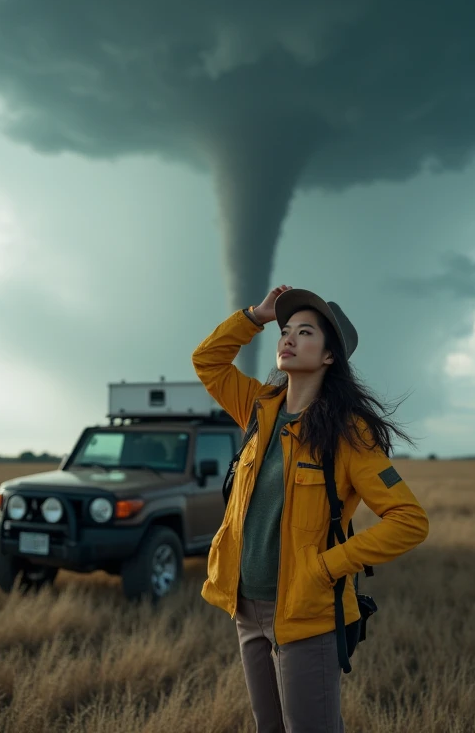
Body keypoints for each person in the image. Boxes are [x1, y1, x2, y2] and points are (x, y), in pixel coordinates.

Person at [192, 285, 429, 733]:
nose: (288, 338)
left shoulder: (349, 434)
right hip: (247, 608)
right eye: (284, 331)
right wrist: (254, 316)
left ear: (328, 357)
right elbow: (207, 361)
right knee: (269, 727)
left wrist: (327, 567)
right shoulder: (259, 409)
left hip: (307, 611)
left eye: (304, 332)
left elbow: (409, 521)